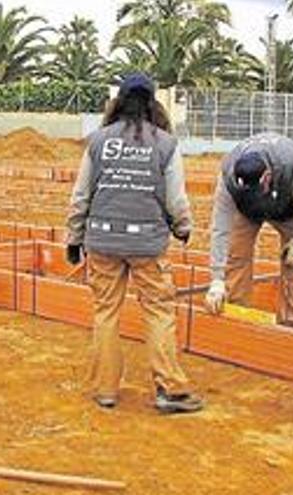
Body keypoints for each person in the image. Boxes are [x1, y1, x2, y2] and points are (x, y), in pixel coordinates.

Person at [65, 73, 202, 413]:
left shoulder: (98, 141)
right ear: (153, 103)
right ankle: (169, 389)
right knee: (158, 312)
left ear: (119, 102)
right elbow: (176, 198)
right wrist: (183, 227)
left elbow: (81, 194)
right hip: (148, 244)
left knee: (105, 312)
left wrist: (74, 236)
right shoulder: (165, 143)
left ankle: (106, 390)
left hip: (102, 240)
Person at [204, 133, 293, 327]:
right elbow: (220, 228)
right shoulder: (228, 178)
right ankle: (239, 314)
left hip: (287, 207)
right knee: (236, 255)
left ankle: (292, 321)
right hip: (246, 211)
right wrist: (217, 280)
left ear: (267, 177)